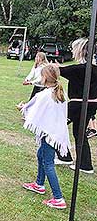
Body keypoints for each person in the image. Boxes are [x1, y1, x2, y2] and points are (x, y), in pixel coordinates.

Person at [18, 64, 69, 209]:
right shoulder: (58, 92)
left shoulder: (46, 95)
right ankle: (39, 184)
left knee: (48, 163)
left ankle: (58, 198)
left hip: (49, 134)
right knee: (41, 155)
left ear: (45, 77)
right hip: (52, 132)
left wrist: (23, 108)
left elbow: (35, 113)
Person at [55, 38, 97, 174]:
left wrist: (51, 66)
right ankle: (85, 165)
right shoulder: (93, 69)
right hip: (91, 105)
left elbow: (59, 71)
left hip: (78, 104)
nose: (72, 51)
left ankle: (64, 156)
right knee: (79, 133)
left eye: (73, 49)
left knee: (56, 124)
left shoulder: (80, 69)